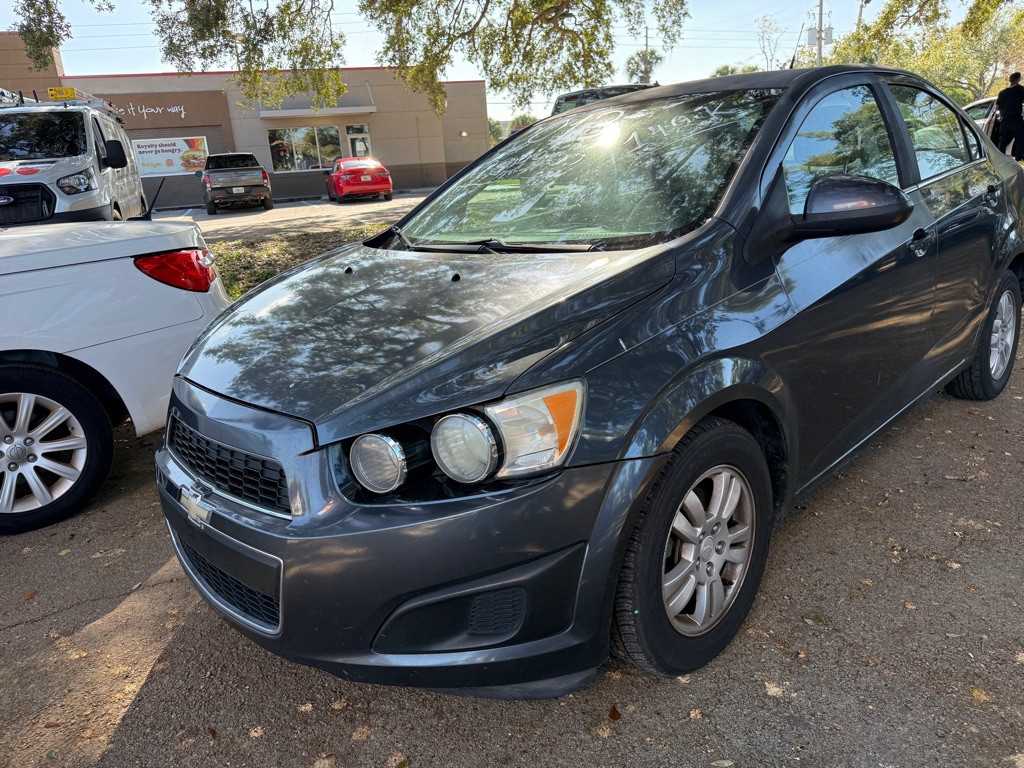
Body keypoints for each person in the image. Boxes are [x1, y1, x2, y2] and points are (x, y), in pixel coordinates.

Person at [996, 72, 1024, 161]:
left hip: (1004, 121)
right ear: (1018, 79)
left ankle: (1000, 158)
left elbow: (996, 107)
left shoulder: (1002, 92)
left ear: (1010, 80)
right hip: (1016, 120)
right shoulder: (1020, 90)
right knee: (1021, 138)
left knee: (1003, 140)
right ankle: (1018, 158)